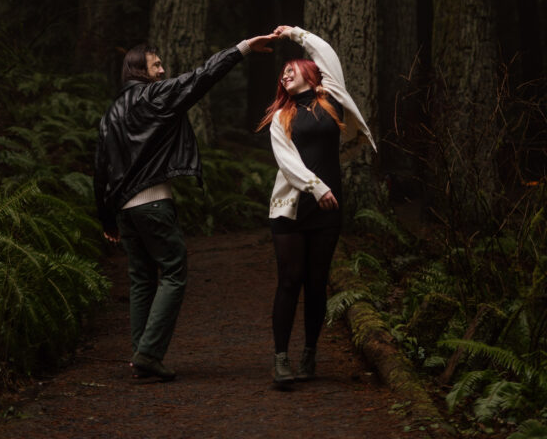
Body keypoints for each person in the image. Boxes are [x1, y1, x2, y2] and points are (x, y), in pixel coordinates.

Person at [94, 32, 277, 382]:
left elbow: (100, 168)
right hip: (152, 203)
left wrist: (108, 218)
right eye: (156, 64)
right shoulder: (155, 96)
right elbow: (202, 77)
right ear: (139, 70)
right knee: (174, 272)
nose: (162, 70)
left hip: (124, 211)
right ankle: (148, 353)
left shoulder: (111, 112)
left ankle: (141, 358)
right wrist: (240, 49)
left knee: (142, 280)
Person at [259, 24, 376, 387]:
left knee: (316, 282)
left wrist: (295, 33)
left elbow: (327, 53)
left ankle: (309, 353)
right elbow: (287, 161)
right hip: (291, 209)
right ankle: (281, 359)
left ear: (311, 74)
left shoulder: (331, 99)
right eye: (282, 73)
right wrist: (316, 186)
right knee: (289, 281)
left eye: (291, 69)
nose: (285, 74)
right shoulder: (282, 116)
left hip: (327, 209)